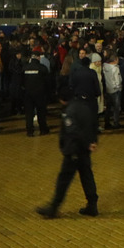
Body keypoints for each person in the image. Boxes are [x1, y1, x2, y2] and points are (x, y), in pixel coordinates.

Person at [36, 87, 99, 219]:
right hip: (84, 150)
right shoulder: (85, 106)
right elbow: (93, 124)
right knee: (87, 176)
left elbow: (73, 131)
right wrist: (92, 141)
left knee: (64, 179)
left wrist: (86, 142)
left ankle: (53, 207)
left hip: (74, 150)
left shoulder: (69, 111)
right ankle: (92, 205)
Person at [23, 50, 52, 137]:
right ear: (39, 57)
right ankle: (43, 129)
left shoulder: (25, 68)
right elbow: (48, 82)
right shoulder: (42, 68)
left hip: (28, 93)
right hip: (40, 93)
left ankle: (29, 131)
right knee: (41, 112)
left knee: (29, 113)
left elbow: (21, 81)